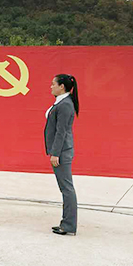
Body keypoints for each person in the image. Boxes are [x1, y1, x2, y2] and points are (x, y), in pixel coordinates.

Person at [45, 73, 79, 236]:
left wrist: (55, 153)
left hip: (62, 152)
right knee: (65, 187)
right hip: (62, 150)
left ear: (62, 87)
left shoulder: (65, 104)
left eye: (53, 84)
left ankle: (68, 225)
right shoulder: (62, 102)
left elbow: (61, 132)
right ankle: (67, 223)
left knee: (66, 188)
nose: (51, 87)